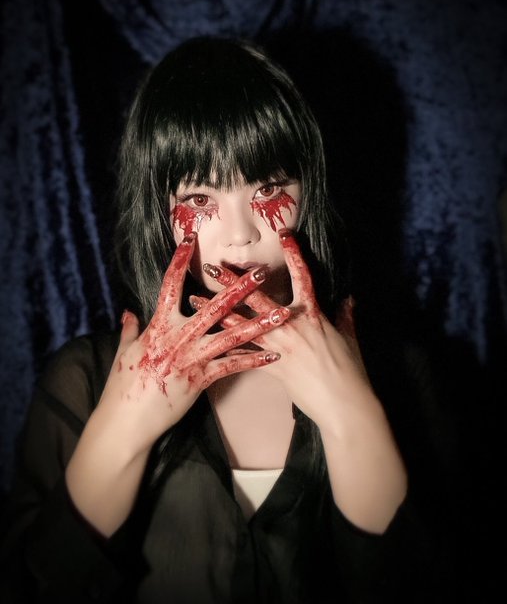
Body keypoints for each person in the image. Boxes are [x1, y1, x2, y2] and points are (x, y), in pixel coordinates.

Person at [0, 36, 449, 603]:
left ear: (309, 189)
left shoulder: (405, 376)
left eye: (268, 188)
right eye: (200, 199)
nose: (240, 234)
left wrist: (351, 415)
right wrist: (124, 429)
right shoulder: (85, 380)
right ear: (158, 208)